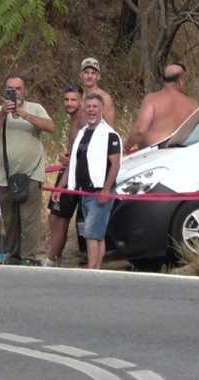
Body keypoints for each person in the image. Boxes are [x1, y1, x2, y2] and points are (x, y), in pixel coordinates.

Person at [0, 74, 54, 264]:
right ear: (4, 91)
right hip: (6, 175)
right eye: (10, 89)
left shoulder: (35, 108)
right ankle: (13, 256)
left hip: (31, 172)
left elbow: (50, 126)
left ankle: (28, 257)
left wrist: (24, 114)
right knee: (10, 220)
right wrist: (3, 113)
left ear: (25, 90)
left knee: (29, 220)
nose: (15, 92)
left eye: (18, 89)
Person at [67, 93, 122, 270]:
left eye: (95, 107)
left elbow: (115, 164)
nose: (91, 110)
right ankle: (96, 269)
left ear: (102, 109)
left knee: (91, 233)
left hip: (101, 192)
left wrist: (106, 189)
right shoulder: (83, 133)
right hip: (84, 192)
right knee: (97, 234)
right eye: (88, 106)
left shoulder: (110, 135)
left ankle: (91, 270)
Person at [43, 85, 85, 266]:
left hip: (75, 175)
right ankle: (56, 256)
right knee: (54, 216)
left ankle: (51, 259)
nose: (69, 103)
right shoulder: (74, 118)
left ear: (81, 100)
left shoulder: (83, 119)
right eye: (66, 100)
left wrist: (61, 185)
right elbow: (76, 149)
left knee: (60, 218)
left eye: (73, 100)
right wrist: (66, 155)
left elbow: (84, 152)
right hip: (68, 170)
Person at [127, 63, 199, 152]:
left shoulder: (152, 100)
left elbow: (139, 130)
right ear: (180, 80)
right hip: (185, 152)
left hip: (156, 154)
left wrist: (126, 147)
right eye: (186, 79)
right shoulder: (193, 104)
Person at [79, 57, 116, 124]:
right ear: (81, 75)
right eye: (86, 72)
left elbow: (110, 126)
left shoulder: (105, 98)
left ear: (98, 76)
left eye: (93, 73)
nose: (89, 76)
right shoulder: (79, 97)